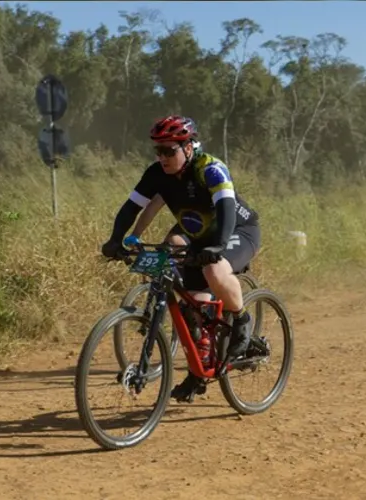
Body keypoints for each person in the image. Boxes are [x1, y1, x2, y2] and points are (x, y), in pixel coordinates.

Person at [100, 115, 263, 403]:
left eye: (169, 150)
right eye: (158, 150)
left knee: (213, 270)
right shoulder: (157, 174)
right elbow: (131, 208)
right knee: (186, 294)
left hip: (236, 229)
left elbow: (225, 209)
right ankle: (199, 370)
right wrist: (117, 240)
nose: (162, 157)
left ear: (188, 147)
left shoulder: (210, 169)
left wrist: (219, 246)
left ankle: (241, 320)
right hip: (196, 233)